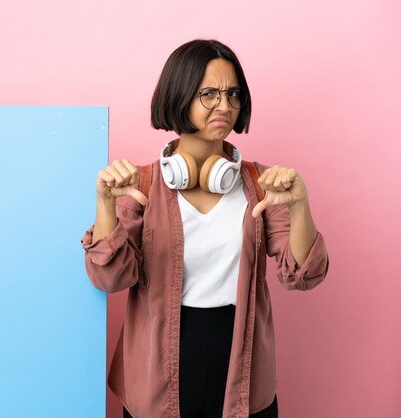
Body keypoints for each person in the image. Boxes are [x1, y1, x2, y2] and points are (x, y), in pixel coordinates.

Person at [81, 39, 330, 418]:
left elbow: (304, 275)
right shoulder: (142, 185)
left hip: (242, 363)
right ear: (179, 95)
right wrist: (105, 203)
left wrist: (299, 206)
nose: (225, 105)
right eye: (209, 93)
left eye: (233, 94)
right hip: (157, 369)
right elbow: (108, 277)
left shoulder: (261, 184)